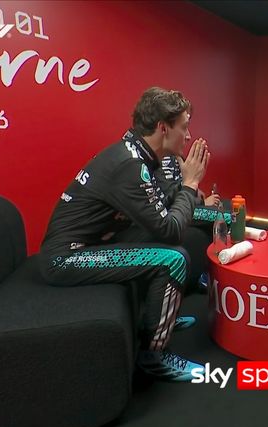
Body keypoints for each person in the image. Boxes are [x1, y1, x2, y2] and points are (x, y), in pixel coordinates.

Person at [39, 87, 209, 381]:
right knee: (173, 259)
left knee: (155, 239)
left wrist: (185, 188)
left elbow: (161, 212)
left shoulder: (137, 155)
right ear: (163, 128)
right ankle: (154, 356)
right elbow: (170, 230)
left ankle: (159, 318)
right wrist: (190, 185)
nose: (188, 136)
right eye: (184, 127)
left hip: (94, 244)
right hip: (66, 258)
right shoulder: (130, 165)